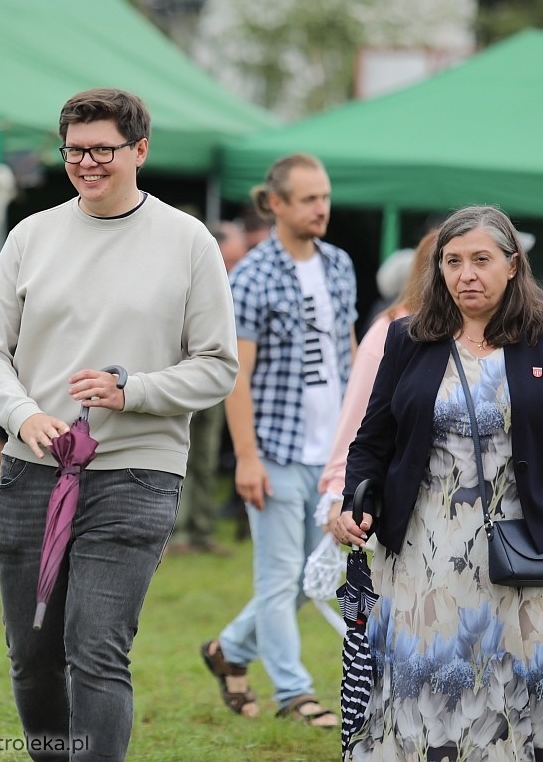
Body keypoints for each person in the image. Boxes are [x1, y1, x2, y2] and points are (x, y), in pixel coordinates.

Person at [0, 88, 239, 761]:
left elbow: (217, 366)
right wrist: (23, 415)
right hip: (34, 473)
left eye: (103, 150)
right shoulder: (32, 235)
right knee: (31, 655)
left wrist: (133, 390)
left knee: (95, 650)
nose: (87, 163)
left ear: (140, 150)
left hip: (137, 474)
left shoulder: (187, 241)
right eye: (75, 151)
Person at [335, 205, 543, 758]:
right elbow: (373, 439)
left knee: (537, 690)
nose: (466, 275)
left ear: (513, 265)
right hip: (422, 555)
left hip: (528, 551)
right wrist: (352, 502)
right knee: (432, 691)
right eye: (452, 262)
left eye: (481, 260)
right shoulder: (410, 338)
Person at [202, 152, 356, 728]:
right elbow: (234, 375)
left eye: (325, 196)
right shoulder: (252, 276)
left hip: (330, 455)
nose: (322, 208)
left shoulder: (339, 264)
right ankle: (295, 692)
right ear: (277, 204)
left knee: (310, 574)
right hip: (275, 448)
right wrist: (246, 458)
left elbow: (348, 352)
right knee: (279, 575)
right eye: (309, 198)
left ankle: (230, 650)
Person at [317, 231, 438, 527]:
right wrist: (339, 490)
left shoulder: (495, 336)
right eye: (454, 261)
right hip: (406, 502)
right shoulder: (391, 330)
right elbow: (358, 416)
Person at [168, 220, 246, 556]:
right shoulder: (184, 275)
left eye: (236, 261)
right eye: (228, 260)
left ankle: (201, 529)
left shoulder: (237, 286)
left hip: (214, 384)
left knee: (205, 458)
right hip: (179, 378)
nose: (233, 268)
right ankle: (175, 533)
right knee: (177, 456)